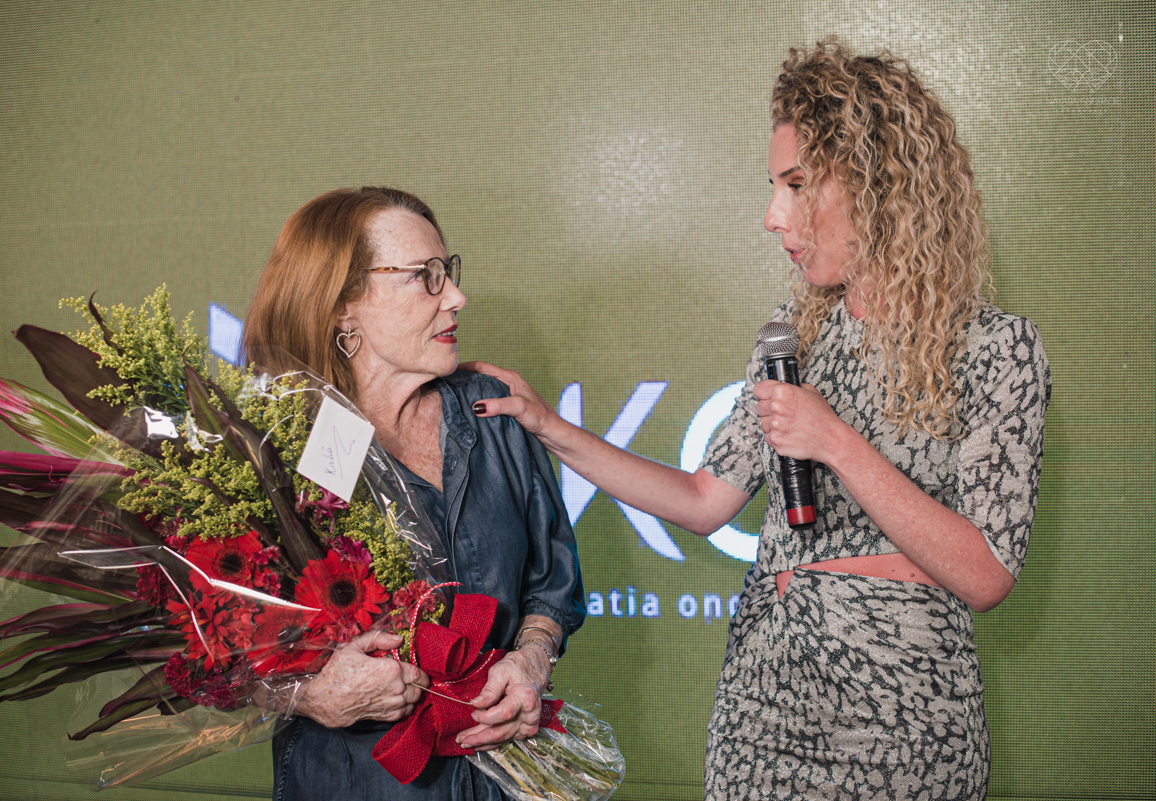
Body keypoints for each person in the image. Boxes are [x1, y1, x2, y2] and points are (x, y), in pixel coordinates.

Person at [465, 39, 1050, 800]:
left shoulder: (999, 348)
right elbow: (706, 500)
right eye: (773, 185)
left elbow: (986, 572)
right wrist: (549, 425)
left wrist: (833, 441)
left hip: (905, 729)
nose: (774, 216)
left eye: (797, 184)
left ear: (880, 183)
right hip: (761, 715)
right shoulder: (793, 335)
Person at [241, 187, 586, 800]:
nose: (456, 296)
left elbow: (552, 583)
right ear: (343, 307)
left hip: (504, 779)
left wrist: (532, 659)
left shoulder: (493, 411)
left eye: (447, 272)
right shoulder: (288, 449)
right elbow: (212, 648)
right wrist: (310, 694)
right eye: (424, 278)